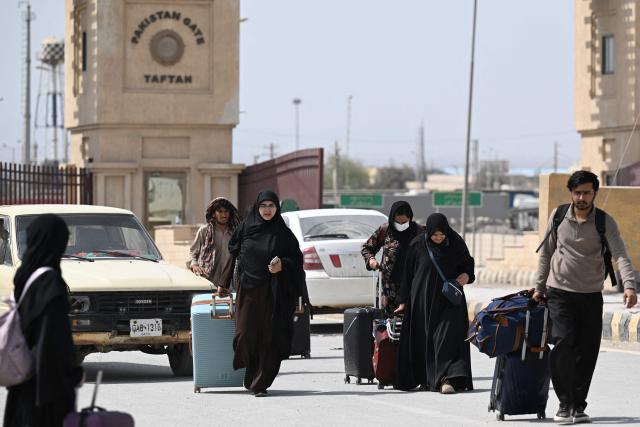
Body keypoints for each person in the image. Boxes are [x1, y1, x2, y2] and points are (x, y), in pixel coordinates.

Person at [533, 170, 637, 424]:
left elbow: (620, 253)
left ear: (594, 194)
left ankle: (579, 405)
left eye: (587, 192)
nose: (581, 197)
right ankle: (564, 403)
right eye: (577, 192)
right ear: (571, 193)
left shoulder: (604, 221)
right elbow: (546, 253)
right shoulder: (558, 216)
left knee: (587, 351)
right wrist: (539, 286)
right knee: (563, 344)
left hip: (591, 294)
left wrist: (630, 286)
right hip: (559, 292)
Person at [3, 214, 84, 427]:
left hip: (22, 387)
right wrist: (73, 375)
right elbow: (51, 345)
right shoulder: (50, 283)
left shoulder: (26, 277)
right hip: (45, 395)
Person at [228, 190, 310, 397]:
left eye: (271, 206)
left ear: (277, 208)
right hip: (249, 291)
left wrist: (283, 265)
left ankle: (261, 383)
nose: (267, 210)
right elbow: (233, 253)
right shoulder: (245, 227)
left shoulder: (283, 233)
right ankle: (252, 374)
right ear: (257, 207)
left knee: (270, 338)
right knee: (245, 335)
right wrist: (223, 283)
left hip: (276, 295)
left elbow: (297, 260)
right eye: (263, 206)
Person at [394, 213, 474, 394]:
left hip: (449, 301)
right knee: (424, 339)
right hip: (422, 302)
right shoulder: (417, 245)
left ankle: (446, 379)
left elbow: (468, 265)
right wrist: (403, 301)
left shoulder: (456, 243)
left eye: (441, 234)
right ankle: (426, 379)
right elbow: (407, 276)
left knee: (447, 339)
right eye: (435, 235)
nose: (438, 238)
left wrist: (466, 276)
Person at [361, 201, 424, 317]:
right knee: (385, 321)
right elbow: (367, 248)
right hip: (388, 287)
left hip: (413, 284)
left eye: (404, 222)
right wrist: (371, 260)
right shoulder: (385, 230)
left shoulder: (419, 232)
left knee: (412, 319)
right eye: (397, 222)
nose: (400, 224)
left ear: (410, 218)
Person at [189, 197, 240, 294]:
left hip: (230, 283)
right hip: (208, 280)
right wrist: (194, 264)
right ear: (213, 214)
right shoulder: (204, 231)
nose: (224, 215)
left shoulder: (235, 232)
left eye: (226, 211)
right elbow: (193, 252)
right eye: (220, 211)